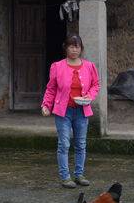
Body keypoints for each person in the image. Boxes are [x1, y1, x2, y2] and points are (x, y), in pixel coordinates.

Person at [41, 34, 100, 189]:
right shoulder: (57, 66)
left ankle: (79, 174)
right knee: (64, 144)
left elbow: (96, 85)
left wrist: (89, 96)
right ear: (66, 48)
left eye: (77, 46)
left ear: (81, 49)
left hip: (82, 110)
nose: (75, 49)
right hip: (63, 111)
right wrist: (46, 105)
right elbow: (51, 88)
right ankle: (65, 177)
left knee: (81, 143)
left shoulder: (89, 66)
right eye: (71, 46)